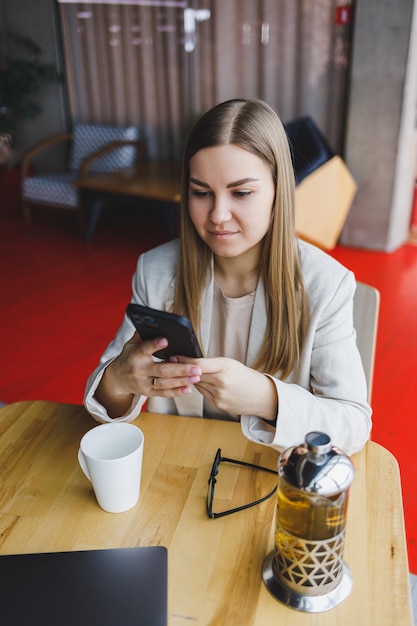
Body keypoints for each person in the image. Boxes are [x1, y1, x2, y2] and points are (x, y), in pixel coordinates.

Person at [84, 98, 372, 456]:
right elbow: (105, 402)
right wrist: (119, 379)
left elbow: (354, 424)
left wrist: (266, 398)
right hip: (178, 466)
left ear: (278, 191)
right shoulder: (155, 270)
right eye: (201, 193)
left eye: (241, 193)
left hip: (270, 477)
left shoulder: (326, 285)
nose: (218, 215)